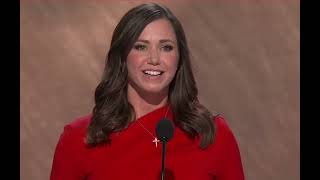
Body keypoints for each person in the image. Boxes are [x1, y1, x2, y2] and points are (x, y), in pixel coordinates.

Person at [50, 2, 245, 180]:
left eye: (166, 47)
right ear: (122, 57)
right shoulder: (80, 138)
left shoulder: (212, 135)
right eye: (141, 47)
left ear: (179, 59)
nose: (154, 59)